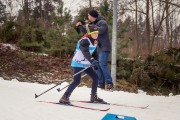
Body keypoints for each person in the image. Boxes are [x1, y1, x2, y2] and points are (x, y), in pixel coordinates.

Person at [59, 25, 104, 104]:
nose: (96, 35)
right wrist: (92, 61)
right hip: (78, 63)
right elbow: (85, 52)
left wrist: (95, 62)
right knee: (76, 81)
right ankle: (64, 97)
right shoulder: (84, 41)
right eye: (94, 33)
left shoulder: (95, 41)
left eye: (97, 33)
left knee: (96, 78)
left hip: (86, 64)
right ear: (90, 33)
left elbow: (95, 52)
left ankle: (93, 96)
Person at [76, 9, 113, 90]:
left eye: (89, 15)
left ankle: (109, 83)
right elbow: (87, 33)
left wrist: (91, 26)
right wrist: (81, 26)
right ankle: (101, 83)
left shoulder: (102, 22)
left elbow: (101, 30)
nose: (88, 17)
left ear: (92, 16)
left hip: (104, 47)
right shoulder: (91, 24)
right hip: (97, 48)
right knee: (96, 65)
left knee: (103, 64)